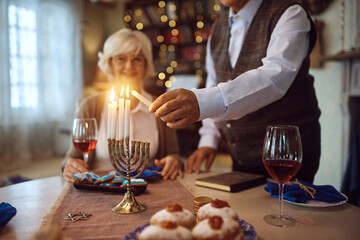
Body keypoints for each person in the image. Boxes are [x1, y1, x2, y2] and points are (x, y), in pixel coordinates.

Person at [149, 0, 321, 183]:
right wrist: (209, 141)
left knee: (286, 212)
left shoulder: (290, 13)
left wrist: (200, 103)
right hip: (240, 155)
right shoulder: (218, 27)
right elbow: (213, 82)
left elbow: (274, 78)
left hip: (286, 155)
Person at [62, 29, 183, 183]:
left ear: (146, 64)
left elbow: (174, 155)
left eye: (137, 59)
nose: (129, 66)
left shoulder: (160, 106)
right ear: (109, 64)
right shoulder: (90, 106)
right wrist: (70, 165)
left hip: (149, 190)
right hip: (101, 190)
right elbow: (71, 159)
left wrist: (173, 160)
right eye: (121, 58)